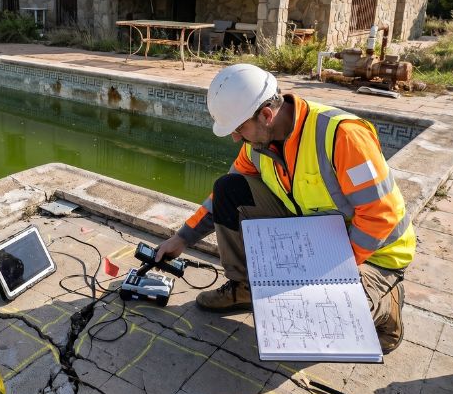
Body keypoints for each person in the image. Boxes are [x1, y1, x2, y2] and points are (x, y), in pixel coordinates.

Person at [155, 64, 415, 354]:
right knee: (230, 186)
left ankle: (387, 307)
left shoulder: (343, 136)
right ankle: (244, 286)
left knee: (315, 321)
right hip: (314, 239)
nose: (236, 138)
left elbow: (380, 214)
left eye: (240, 128)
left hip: (375, 255)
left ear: (266, 115)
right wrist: (182, 238)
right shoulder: (258, 144)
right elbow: (221, 197)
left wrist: (324, 276)